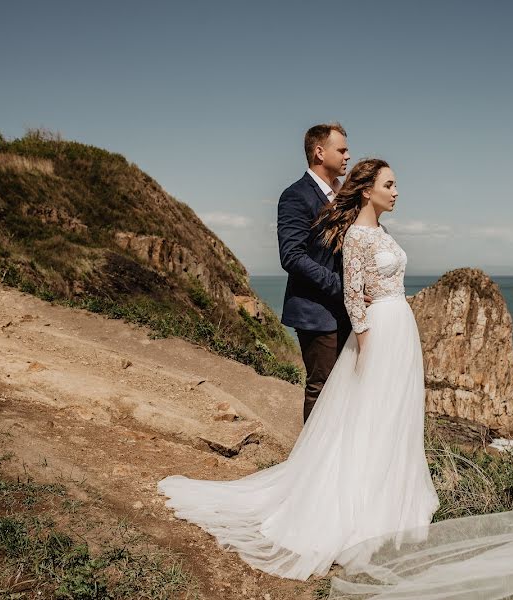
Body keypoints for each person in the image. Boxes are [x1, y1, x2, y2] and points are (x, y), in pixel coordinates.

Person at [157, 158, 439, 580]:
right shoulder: (358, 235)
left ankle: (393, 492)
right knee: (363, 412)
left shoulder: (382, 231)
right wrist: (365, 342)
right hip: (378, 333)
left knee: (393, 415)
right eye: (390, 184)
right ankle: (352, 501)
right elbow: (353, 294)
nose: (397, 191)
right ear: (368, 190)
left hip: (400, 332)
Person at [277, 122, 353, 422]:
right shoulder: (296, 195)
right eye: (342, 150)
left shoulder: (343, 196)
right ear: (319, 152)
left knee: (346, 387)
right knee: (322, 388)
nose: (348, 156)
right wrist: (339, 286)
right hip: (315, 311)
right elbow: (291, 256)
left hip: (346, 310)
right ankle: (311, 464)